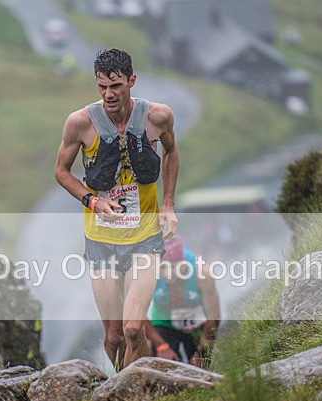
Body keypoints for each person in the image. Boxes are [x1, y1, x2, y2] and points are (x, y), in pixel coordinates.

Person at [54, 48, 179, 369]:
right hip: (102, 241)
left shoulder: (157, 116)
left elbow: (172, 152)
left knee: (134, 328)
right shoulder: (80, 123)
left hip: (145, 238)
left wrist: (167, 204)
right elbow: (62, 172)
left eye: (116, 86)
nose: (108, 94)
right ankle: (122, 386)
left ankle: (131, 395)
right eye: (102, 87)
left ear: (131, 81)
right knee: (113, 338)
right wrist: (93, 201)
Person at [146, 236, 220, 368]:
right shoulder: (148, 274)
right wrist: (161, 346)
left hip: (197, 322)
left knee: (201, 368)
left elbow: (214, 317)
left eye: (173, 267)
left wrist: (201, 352)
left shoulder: (202, 273)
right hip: (165, 321)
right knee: (159, 361)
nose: (168, 274)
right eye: (163, 268)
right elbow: (137, 314)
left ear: (184, 266)